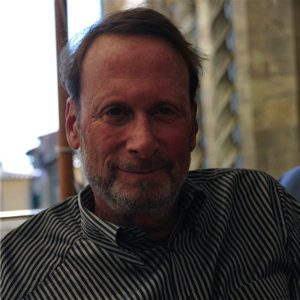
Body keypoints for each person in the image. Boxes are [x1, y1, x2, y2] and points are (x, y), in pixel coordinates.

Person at [1, 7, 299, 299]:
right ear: (73, 127)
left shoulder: (260, 206)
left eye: (164, 111)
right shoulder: (19, 279)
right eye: (115, 112)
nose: (143, 143)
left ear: (193, 125)